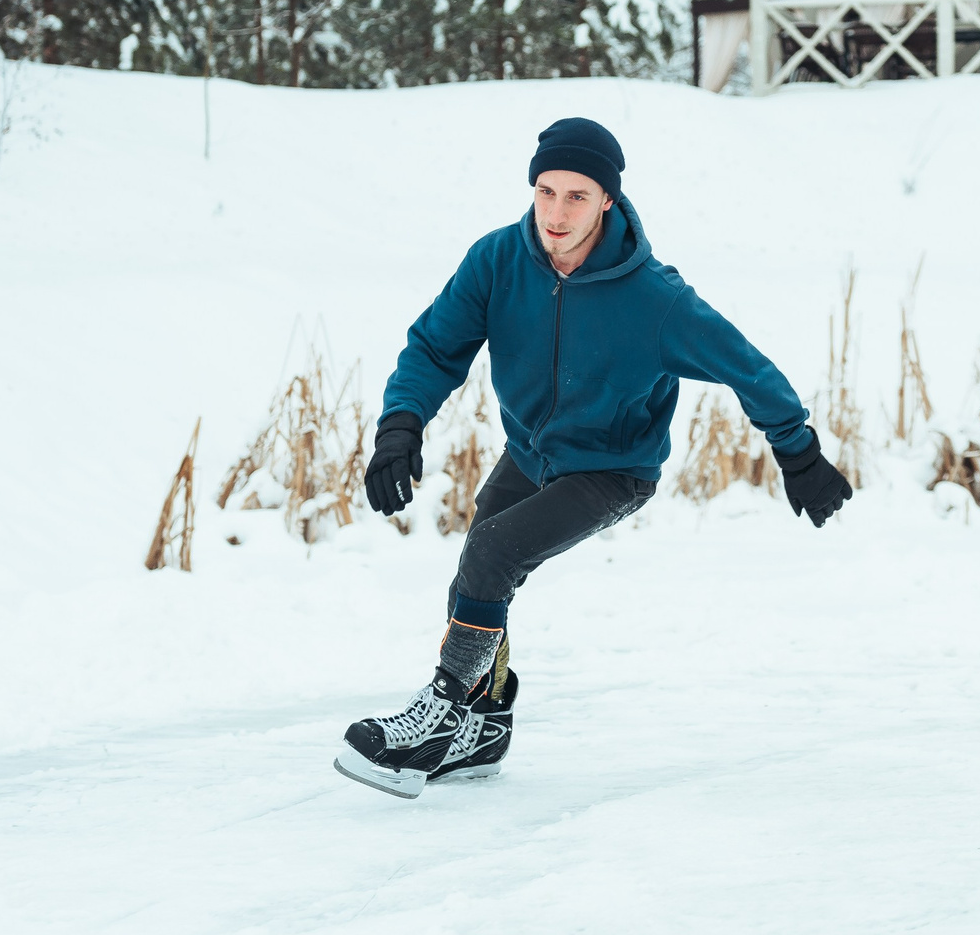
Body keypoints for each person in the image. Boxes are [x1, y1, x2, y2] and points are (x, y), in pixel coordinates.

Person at [333, 116, 853, 799]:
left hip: (614, 468)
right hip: (531, 451)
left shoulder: (654, 299)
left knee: (493, 552)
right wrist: (400, 426)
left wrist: (800, 452)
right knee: (482, 566)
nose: (555, 213)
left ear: (608, 199)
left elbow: (746, 368)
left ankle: (439, 716)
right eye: (545, 192)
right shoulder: (498, 260)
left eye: (576, 196)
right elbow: (436, 347)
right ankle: (484, 724)